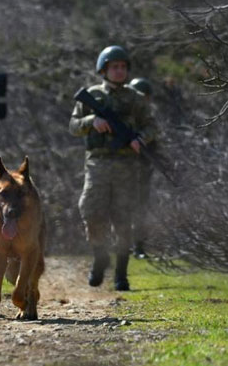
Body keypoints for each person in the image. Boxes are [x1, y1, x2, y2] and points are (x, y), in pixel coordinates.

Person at [69, 45, 156, 291]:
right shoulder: (92, 95)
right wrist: (91, 121)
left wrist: (141, 139)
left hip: (127, 165)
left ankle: (121, 274)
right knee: (91, 211)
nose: (119, 71)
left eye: (123, 67)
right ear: (104, 70)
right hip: (97, 163)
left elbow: (152, 126)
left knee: (123, 219)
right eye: (114, 67)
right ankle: (100, 257)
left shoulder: (136, 99)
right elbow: (73, 126)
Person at [128, 77, 155, 259]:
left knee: (140, 208)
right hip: (121, 168)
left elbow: (154, 139)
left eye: (145, 97)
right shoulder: (125, 117)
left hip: (142, 169)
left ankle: (139, 246)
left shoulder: (148, 120)